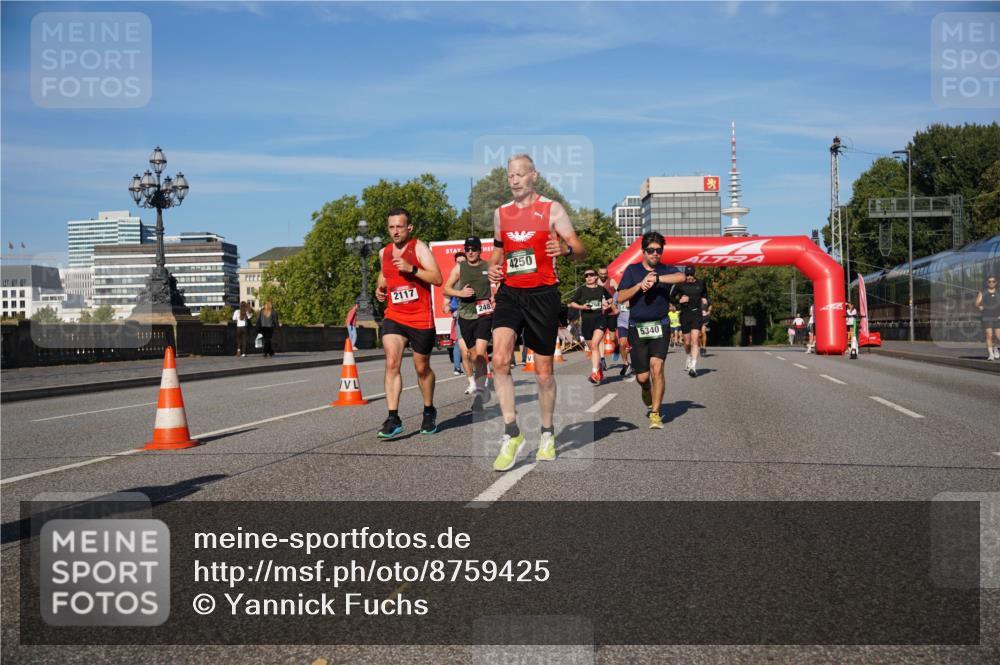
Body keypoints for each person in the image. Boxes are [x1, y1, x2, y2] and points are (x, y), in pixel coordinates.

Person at [487, 154, 586, 472]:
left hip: (543, 295)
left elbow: (580, 250)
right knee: (499, 360)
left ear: (534, 176)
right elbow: (499, 252)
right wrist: (493, 268)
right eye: (509, 175)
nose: (513, 179)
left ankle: (546, 433)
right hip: (510, 295)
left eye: (519, 174)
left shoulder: (552, 209)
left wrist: (566, 250)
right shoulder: (501, 214)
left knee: (544, 374)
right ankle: (511, 432)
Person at [374, 207, 443, 439]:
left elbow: (437, 278)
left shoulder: (419, 248)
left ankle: (428, 410)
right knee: (392, 362)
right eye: (391, 227)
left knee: (421, 368)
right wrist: (380, 290)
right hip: (394, 316)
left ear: (409, 228)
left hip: (420, 318)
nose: (395, 231)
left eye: (399, 227)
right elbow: (383, 276)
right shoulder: (384, 252)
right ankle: (393, 418)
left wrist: (412, 269)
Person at [617, 232, 685, 429]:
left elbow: (680, 276)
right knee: (643, 377)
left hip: (661, 325)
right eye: (651, 250)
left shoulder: (666, 269)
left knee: (658, 368)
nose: (655, 253)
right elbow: (621, 297)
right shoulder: (632, 270)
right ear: (643, 251)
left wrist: (657, 279)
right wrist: (640, 284)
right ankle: (646, 388)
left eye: (658, 250)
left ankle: (655, 413)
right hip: (637, 327)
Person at [443, 237, 494, 411]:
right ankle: (482, 383)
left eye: (473, 249)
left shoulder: (487, 267)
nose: (470, 252)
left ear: (480, 250)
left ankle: (479, 394)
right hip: (466, 315)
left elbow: (498, 285)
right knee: (472, 355)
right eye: (467, 249)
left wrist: (494, 299)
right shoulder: (459, 267)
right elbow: (446, 288)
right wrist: (460, 293)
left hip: (484, 314)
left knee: (480, 353)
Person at [570, 269, 610, 384]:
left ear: (596, 277)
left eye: (591, 275)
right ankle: (599, 369)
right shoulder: (581, 290)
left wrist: (607, 303)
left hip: (599, 319)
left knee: (594, 344)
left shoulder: (601, 289)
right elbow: (572, 302)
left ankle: (594, 372)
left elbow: (610, 298)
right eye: (586, 275)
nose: (589, 277)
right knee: (593, 349)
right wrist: (582, 307)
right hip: (586, 322)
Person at [672, 266, 708, 377]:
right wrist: (679, 301)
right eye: (687, 275)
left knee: (694, 341)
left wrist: (705, 301)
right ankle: (688, 356)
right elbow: (671, 297)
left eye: (691, 275)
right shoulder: (680, 284)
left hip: (697, 314)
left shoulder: (701, 283)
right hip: (685, 315)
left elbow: (705, 295)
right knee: (687, 342)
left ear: (694, 274)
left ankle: (693, 367)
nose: (689, 277)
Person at [976, 274, 1000, 361]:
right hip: (987, 316)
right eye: (989, 281)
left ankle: (996, 347)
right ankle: (990, 354)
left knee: (998, 337)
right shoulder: (982, 292)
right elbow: (977, 303)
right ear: (987, 282)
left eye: (993, 281)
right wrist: (979, 306)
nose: (991, 283)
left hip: (997, 316)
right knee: (989, 334)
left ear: (996, 282)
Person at [598, 268, 618, 366]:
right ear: (598, 273)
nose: (603, 276)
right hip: (600, 314)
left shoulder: (611, 281)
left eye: (605, 274)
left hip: (611, 313)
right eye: (601, 274)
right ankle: (602, 359)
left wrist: (612, 304)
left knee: (612, 337)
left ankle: (617, 346)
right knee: (600, 336)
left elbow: (619, 292)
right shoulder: (595, 282)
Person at [615, 289, 632, 376]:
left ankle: (637, 364)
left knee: (634, 346)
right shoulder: (617, 293)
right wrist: (614, 309)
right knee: (622, 344)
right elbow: (613, 304)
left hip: (634, 322)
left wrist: (631, 304)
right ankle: (626, 363)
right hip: (622, 323)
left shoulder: (635, 291)